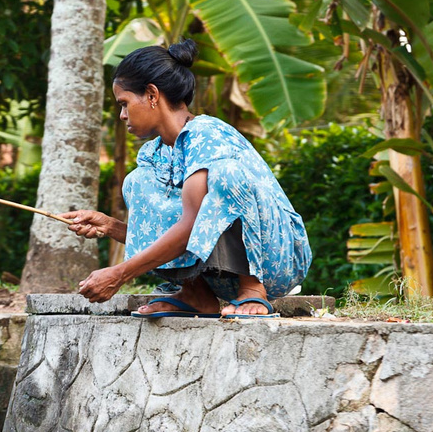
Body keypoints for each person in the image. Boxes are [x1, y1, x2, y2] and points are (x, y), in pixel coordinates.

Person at [63, 40, 311, 318]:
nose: (122, 115)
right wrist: (110, 226)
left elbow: (192, 225)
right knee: (138, 181)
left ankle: (252, 290)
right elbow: (182, 231)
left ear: (152, 95)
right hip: (217, 274)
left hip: (275, 262)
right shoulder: (154, 154)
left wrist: (119, 274)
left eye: (124, 103)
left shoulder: (207, 134)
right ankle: (196, 295)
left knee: (225, 174)